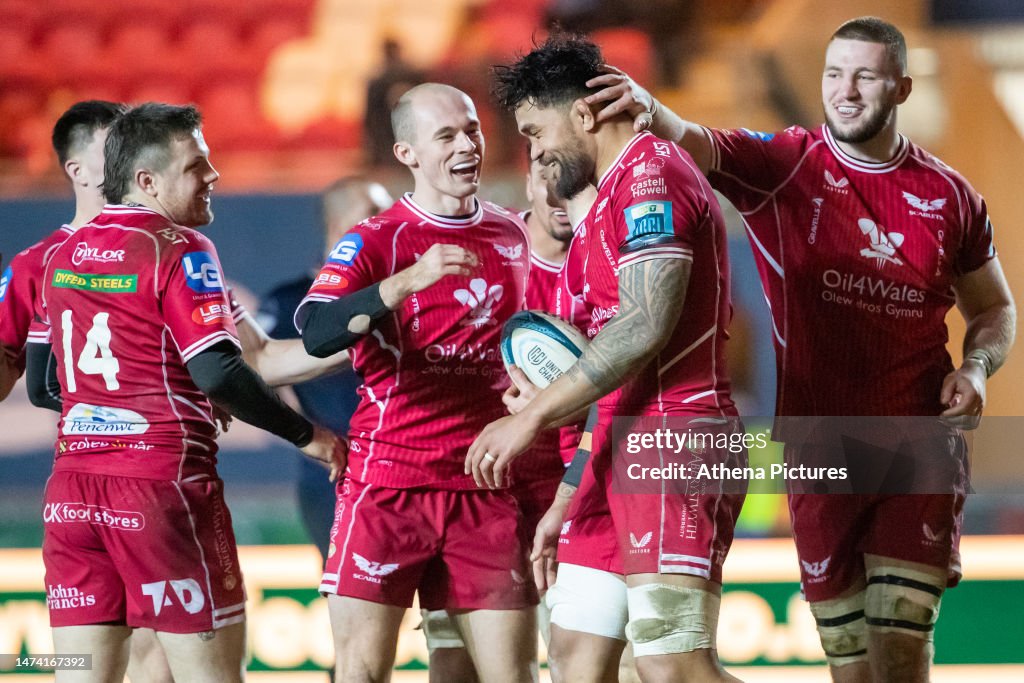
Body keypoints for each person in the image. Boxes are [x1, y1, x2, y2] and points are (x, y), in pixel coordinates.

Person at [585, 16, 1016, 682]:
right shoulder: (787, 164)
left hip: (917, 447)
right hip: (819, 453)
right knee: (851, 666)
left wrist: (977, 367)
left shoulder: (952, 196)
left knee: (899, 651)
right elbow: (695, 141)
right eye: (834, 74)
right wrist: (648, 107)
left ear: (901, 87)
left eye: (865, 76)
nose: (845, 91)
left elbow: (994, 307)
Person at [33, 102, 343, 683]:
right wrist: (307, 435)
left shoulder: (61, 255)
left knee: (80, 674)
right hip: (162, 492)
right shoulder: (178, 248)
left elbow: (45, 381)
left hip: (71, 496)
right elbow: (223, 374)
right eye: (197, 164)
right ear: (147, 181)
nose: (214, 176)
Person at [469, 34, 745, 683]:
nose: (533, 152)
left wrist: (531, 414)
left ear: (585, 114)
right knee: (591, 659)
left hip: (678, 436)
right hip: (624, 447)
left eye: (536, 130)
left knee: (673, 662)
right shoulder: (600, 207)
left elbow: (645, 323)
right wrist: (570, 483)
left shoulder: (653, 174)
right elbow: (604, 356)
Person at [297, 83, 538, 683]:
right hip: (387, 487)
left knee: (512, 675)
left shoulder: (515, 236)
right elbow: (316, 332)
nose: (467, 146)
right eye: (446, 136)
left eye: (473, 130)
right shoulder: (378, 240)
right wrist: (405, 282)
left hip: (482, 486)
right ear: (407, 154)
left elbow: (539, 342)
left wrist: (532, 391)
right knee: (362, 673)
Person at [257, 176, 393, 565]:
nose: (390, 221)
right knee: (356, 607)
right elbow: (248, 373)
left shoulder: (402, 293)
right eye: (374, 213)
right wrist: (304, 433)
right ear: (340, 230)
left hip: (412, 472)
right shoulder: (289, 304)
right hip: (334, 480)